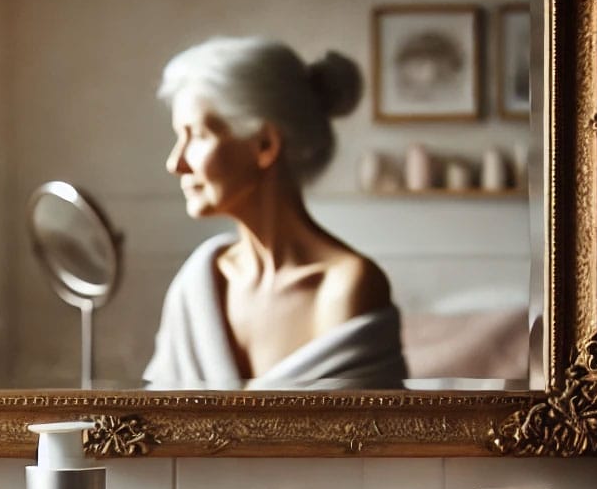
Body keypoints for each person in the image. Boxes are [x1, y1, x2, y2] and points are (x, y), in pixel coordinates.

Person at [144, 37, 408, 389]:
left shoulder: (347, 285)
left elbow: (369, 439)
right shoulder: (199, 283)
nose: (175, 163)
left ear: (265, 144)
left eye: (198, 136)